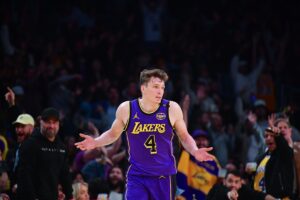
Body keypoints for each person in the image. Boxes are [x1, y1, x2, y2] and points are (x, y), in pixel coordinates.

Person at [75, 68, 214, 200]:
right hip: (138, 175)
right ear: (143, 88)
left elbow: (184, 136)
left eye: (162, 88)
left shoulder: (171, 108)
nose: (160, 91)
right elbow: (112, 134)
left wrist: (195, 151)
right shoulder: (127, 108)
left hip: (163, 176)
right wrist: (95, 142)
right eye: (155, 87)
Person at [16, 107, 73, 200]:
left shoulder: (61, 147)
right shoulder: (30, 144)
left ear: (58, 124)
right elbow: (25, 176)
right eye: (48, 122)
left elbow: (65, 174)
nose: (51, 126)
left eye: (54, 122)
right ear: (40, 122)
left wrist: (70, 196)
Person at [251, 115, 294, 199]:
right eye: (266, 136)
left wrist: (277, 133)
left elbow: (285, 148)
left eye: (272, 136)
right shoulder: (261, 157)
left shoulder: (284, 154)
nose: (268, 138)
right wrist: (249, 172)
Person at [207, 170, 275, 200]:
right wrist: (230, 195)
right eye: (230, 181)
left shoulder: (244, 190)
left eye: (236, 182)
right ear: (224, 181)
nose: (233, 184)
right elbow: (225, 193)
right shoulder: (217, 188)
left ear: (240, 184)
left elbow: (259, 195)